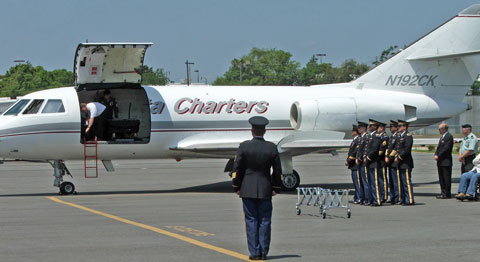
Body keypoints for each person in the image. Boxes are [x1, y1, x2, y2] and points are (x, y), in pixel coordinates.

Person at [231, 116, 282, 261]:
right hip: (265, 188)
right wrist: (276, 187)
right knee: (265, 221)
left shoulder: (244, 146)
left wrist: (236, 186)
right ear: (264, 131)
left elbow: (237, 169)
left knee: (251, 221)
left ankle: (254, 252)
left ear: (252, 131)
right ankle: (264, 251)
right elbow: (277, 170)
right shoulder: (271, 147)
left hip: (247, 188)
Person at [395, 120, 414, 205]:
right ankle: (403, 199)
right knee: (402, 182)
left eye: (400, 126)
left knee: (406, 182)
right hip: (400, 163)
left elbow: (406, 149)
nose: (398, 128)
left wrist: (399, 157)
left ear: (405, 127)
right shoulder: (400, 136)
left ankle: (409, 199)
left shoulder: (408, 136)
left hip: (405, 162)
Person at [364, 119, 382, 206]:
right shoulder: (370, 136)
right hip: (369, 162)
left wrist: (368, 157)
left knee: (375, 183)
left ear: (375, 127)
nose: (369, 127)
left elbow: (374, 149)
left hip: (373, 162)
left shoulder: (377, 136)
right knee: (370, 183)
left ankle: (377, 200)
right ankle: (371, 199)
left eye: (370, 126)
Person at [434, 123, 454, 199]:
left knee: (446, 178)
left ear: (444, 129)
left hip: (446, 161)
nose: (439, 130)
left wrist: (438, 155)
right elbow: (439, 148)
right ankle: (443, 192)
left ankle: (447, 193)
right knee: (441, 178)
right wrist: (436, 154)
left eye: (439, 129)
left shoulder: (449, 137)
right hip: (440, 161)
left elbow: (446, 148)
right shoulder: (442, 137)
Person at [345, 125, 363, 204]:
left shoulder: (358, 140)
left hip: (355, 164)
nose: (352, 132)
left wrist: (348, 160)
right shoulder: (355, 140)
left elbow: (355, 152)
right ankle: (357, 196)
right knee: (355, 182)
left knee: (357, 182)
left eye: (353, 131)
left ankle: (359, 197)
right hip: (353, 165)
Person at [385, 120, 401, 205]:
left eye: (391, 127)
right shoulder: (391, 137)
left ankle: (397, 197)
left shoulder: (398, 136)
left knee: (396, 181)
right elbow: (388, 148)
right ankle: (392, 197)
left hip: (394, 161)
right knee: (391, 181)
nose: (390, 128)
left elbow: (396, 149)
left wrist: (390, 157)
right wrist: (386, 156)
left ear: (396, 127)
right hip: (390, 162)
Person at [356, 121, 371, 206]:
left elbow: (366, 149)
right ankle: (363, 198)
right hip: (360, 162)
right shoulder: (361, 137)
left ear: (364, 128)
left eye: (360, 128)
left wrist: (362, 158)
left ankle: (367, 198)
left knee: (365, 181)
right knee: (361, 181)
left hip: (364, 162)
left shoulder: (367, 137)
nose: (358, 129)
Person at [377, 121, 389, 203]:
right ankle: (381, 194)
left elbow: (382, 149)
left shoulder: (384, 137)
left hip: (381, 160)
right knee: (379, 179)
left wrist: (375, 155)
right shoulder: (379, 136)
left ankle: (384, 195)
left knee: (383, 179)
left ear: (381, 128)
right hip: (378, 160)